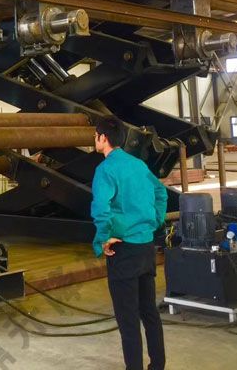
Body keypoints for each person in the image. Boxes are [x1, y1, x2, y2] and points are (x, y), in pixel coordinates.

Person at [91, 115, 167, 370]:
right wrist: (155, 221)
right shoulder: (138, 165)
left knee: (128, 320)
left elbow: (101, 208)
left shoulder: (105, 170)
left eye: (95, 135)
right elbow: (160, 192)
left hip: (123, 251)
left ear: (103, 138)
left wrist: (103, 239)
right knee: (149, 312)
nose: (95, 139)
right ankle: (157, 365)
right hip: (146, 248)